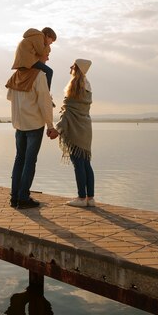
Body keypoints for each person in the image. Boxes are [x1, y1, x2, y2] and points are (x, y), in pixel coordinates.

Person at [6, 48, 59, 209]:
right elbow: (44, 102)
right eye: (46, 55)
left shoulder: (16, 75)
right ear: (36, 55)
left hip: (19, 124)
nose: (47, 59)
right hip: (34, 124)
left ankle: (14, 197)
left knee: (19, 159)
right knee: (30, 161)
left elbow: (9, 97)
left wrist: (23, 102)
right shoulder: (40, 75)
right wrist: (50, 125)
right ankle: (23, 197)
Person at [55, 59, 95, 207]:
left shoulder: (74, 85)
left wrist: (57, 129)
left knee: (78, 164)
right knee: (86, 163)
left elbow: (68, 112)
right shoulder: (87, 85)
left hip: (74, 129)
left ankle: (81, 198)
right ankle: (90, 198)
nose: (70, 67)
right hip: (85, 128)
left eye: (73, 65)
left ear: (78, 69)